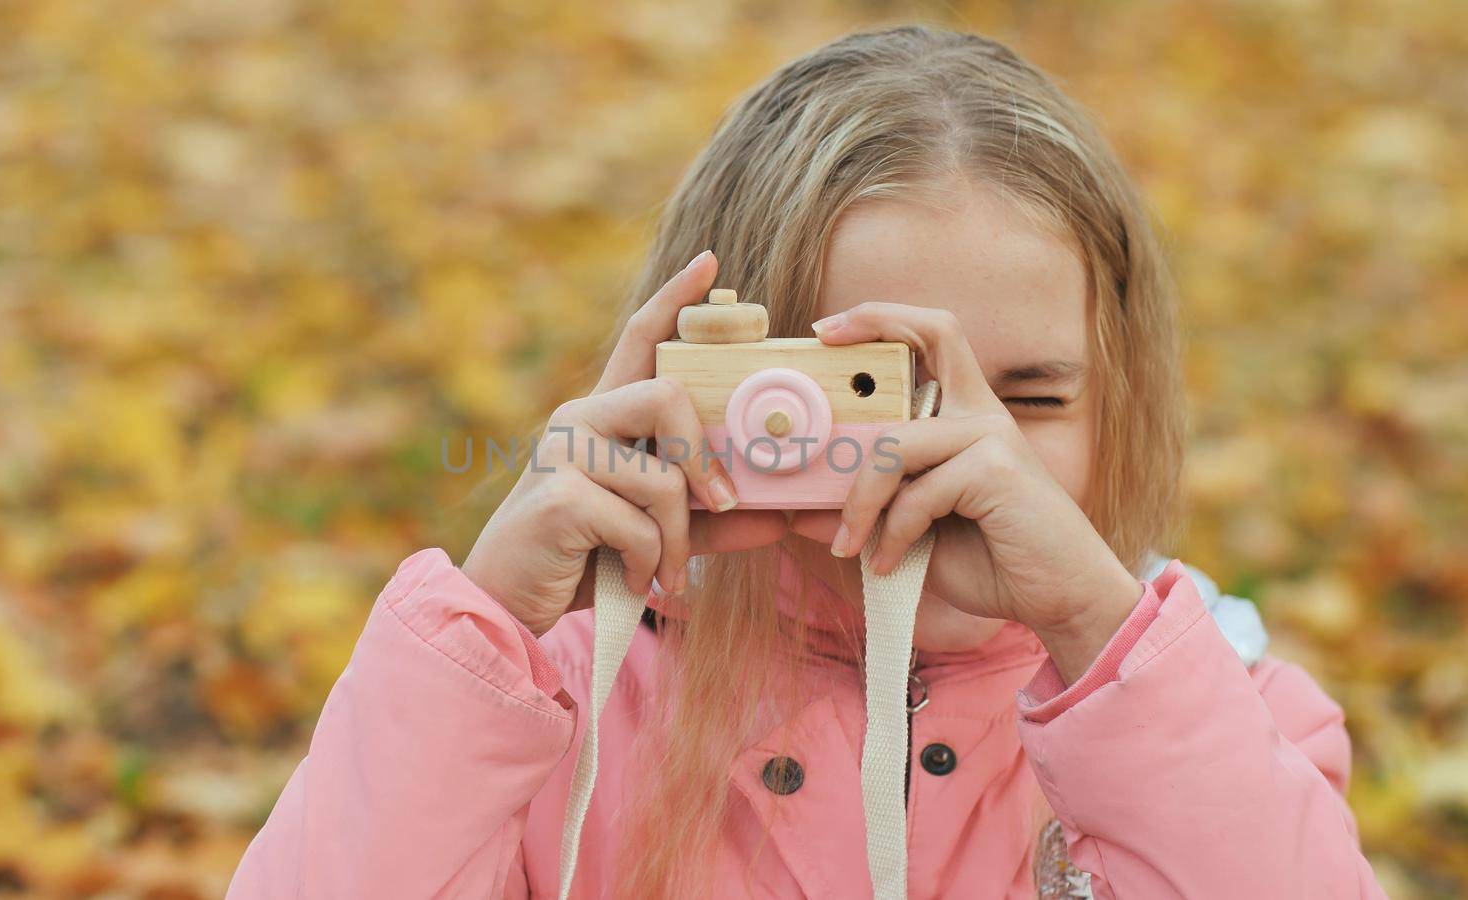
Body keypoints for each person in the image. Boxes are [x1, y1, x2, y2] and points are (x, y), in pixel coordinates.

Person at [226, 26, 1384, 898]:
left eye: (1026, 398)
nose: (954, 453)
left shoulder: (1221, 716)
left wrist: (1096, 631)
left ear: (1118, 394)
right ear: (706, 378)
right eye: (867, 391)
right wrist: (478, 638)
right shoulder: (558, 711)